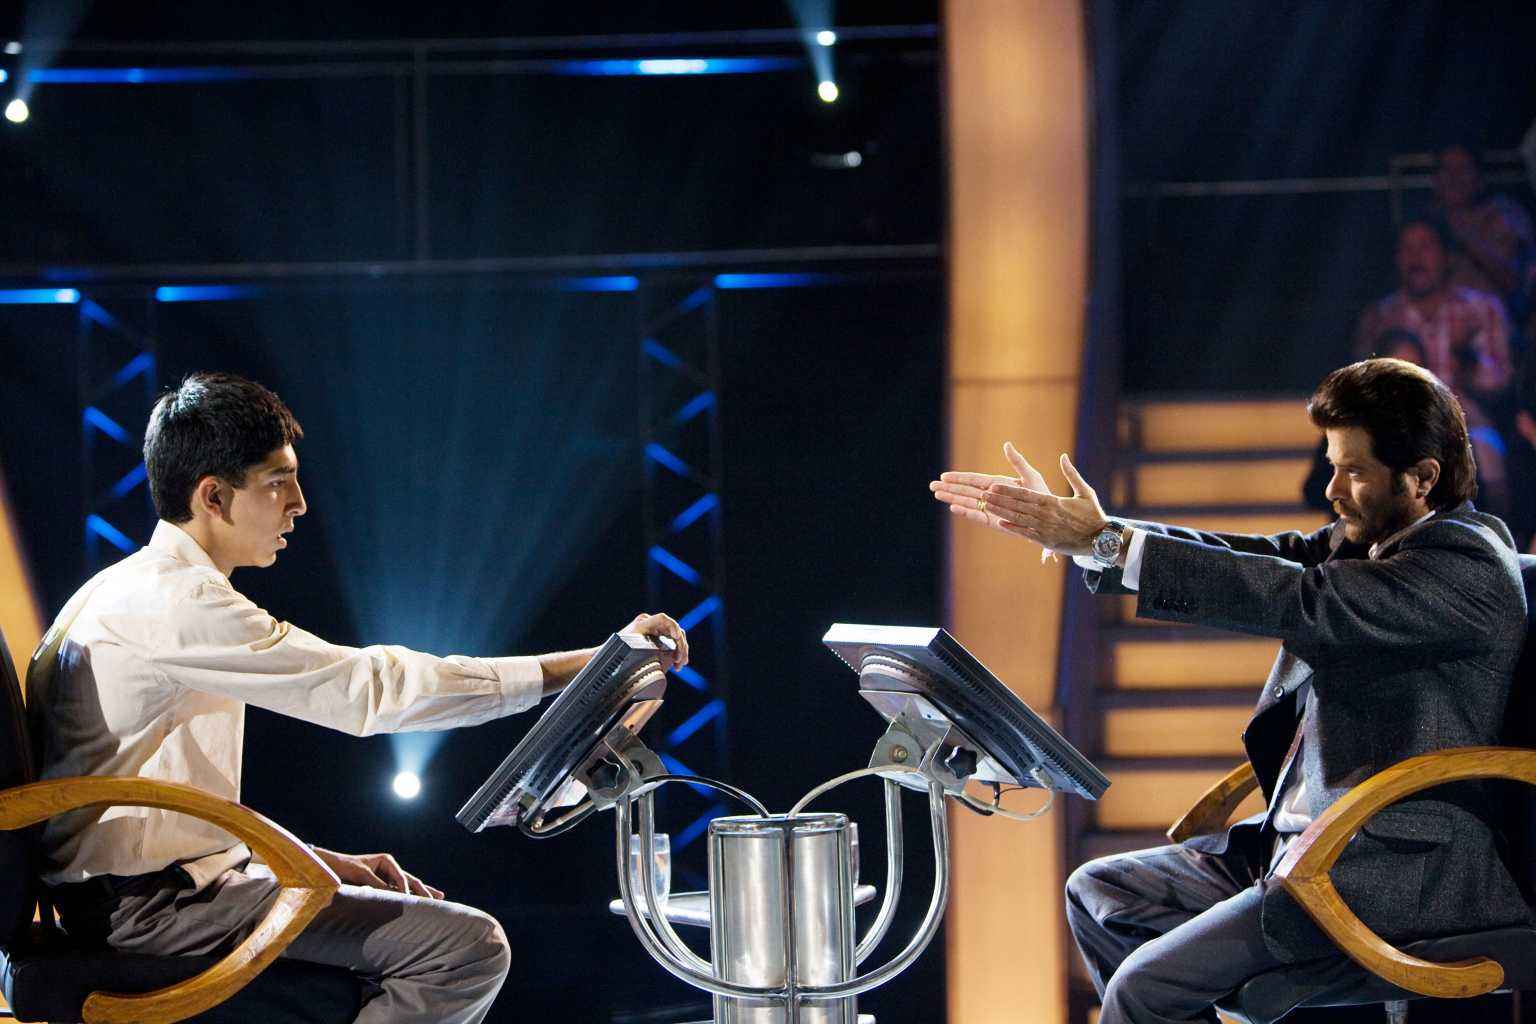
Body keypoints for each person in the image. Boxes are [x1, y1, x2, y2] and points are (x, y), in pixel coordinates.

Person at [30, 372, 690, 1024]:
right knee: (467, 951)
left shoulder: (122, 590)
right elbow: (370, 691)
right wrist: (583, 667)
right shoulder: (176, 604)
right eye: (278, 482)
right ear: (213, 496)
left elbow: (153, 805)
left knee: (430, 932)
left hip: (150, 893)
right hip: (151, 912)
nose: (299, 504)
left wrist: (315, 861)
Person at [930, 358, 1530, 1023]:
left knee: (1143, 990)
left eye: (1354, 472)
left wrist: (1107, 541)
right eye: (1332, 465)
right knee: (1100, 893)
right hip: (1298, 849)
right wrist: (1098, 542)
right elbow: (1254, 558)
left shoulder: (1465, 568)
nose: (1331, 489)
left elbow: (1293, 596)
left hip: (1391, 870)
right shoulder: (1368, 540)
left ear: (1422, 477)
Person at [1355, 218, 1513, 405]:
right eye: (1407, 248)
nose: (1416, 257)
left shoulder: (1482, 310)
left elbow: (1500, 384)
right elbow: (1363, 389)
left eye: (1425, 246)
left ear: (1447, 256)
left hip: (1469, 417)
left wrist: (1467, 362)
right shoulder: (1380, 317)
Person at [1431, 143, 1533, 302]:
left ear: (1479, 179)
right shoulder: (1424, 224)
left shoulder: (1504, 214)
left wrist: (1469, 239)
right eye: (1447, 169)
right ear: (1436, 180)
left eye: (1463, 169)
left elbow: (1515, 283)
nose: (1454, 177)